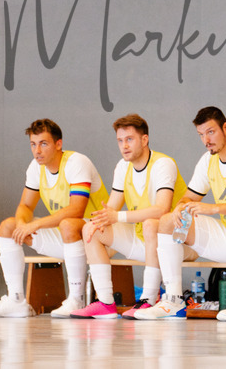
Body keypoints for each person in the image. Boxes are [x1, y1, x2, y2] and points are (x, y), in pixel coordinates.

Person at [134, 106, 226, 320]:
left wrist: (214, 208)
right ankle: (173, 300)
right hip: (225, 237)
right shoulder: (208, 160)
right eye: (201, 135)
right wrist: (180, 207)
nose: (206, 140)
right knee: (167, 221)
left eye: (211, 132)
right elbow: (188, 197)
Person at [0, 118, 108, 318]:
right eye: (33, 144)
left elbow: (76, 210)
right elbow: (25, 206)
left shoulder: (77, 162)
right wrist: (21, 225)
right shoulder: (35, 167)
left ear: (58, 144)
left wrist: (35, 225)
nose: (37, 150)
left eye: (43, 144)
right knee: (8, 226)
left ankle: (77, 299)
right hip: (66, 237)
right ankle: (16, 300)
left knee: (67, 224)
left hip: (98, 238)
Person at [72, 113, 186, 319]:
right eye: (120, 140)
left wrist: (117, 216)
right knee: (91, 229)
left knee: (151, 223)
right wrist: (98, 221)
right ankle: (105, 303)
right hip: (143, 240)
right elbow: (111, 209)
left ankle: (148, 299)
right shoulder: (123, 167)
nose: (124, 146)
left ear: (144, 139)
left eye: (129, 139)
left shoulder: (163, 164)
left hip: (174, 242)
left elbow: (162, 209)